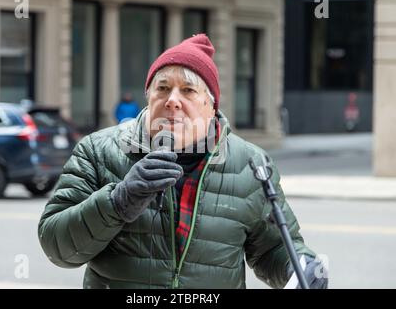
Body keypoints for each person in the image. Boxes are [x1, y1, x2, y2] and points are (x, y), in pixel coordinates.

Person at [38, 34, 328, 289]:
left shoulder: (251, 164)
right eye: (162, 88)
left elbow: (274, 248)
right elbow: (56, 246)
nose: (172, 100)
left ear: (211, 105)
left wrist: (300, 268)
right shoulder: (98, 150)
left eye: (188, 90)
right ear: (148, 97)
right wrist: (117, 203)